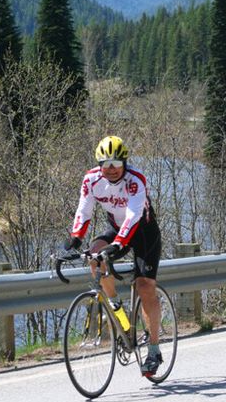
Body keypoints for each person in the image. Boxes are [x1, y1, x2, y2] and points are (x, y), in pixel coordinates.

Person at [64, 135, 163, 377]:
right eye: (106, 164)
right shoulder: (91, 180)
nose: (111, 169)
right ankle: (114, 305)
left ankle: (154, 349)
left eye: (116, 164)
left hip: (143, 232)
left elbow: (132, 216)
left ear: (125, 163)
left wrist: (118, 245)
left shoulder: (135, 180)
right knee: (93, 252)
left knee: (144, 286)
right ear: (99, 164)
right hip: (116, 229)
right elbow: (84, 210)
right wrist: (75, 238)